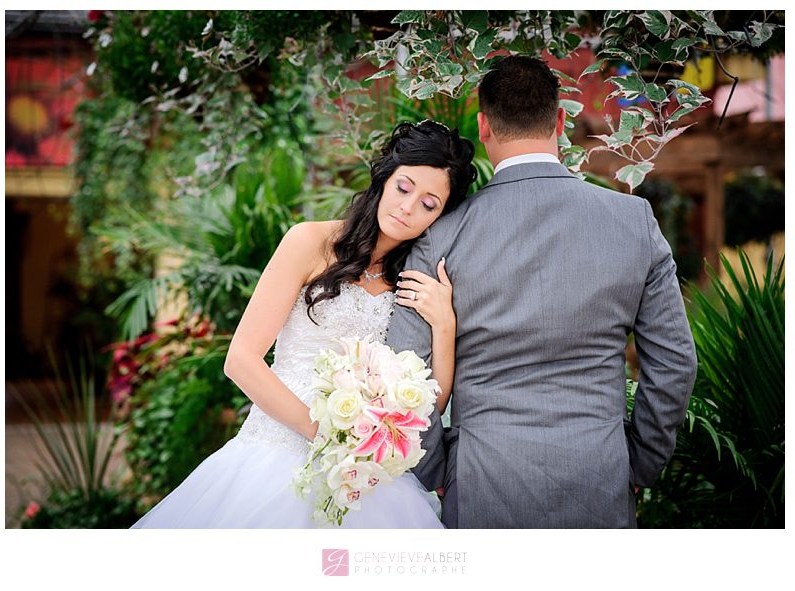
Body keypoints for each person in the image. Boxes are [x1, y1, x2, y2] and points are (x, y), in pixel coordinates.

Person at [386, 56, 698, 528]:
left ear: (484, 126)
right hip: (600, 473)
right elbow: (674, 362)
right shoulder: (633, 222)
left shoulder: (443, 235)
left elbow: (401, 374)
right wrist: (639, 463)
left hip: (481, 481)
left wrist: (436, 469)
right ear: (559, 120)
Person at [131, 120, 476, 528]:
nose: (408, 207)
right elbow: (240, 360)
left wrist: (445, 324)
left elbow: (429, 405)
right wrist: (323, 436)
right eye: (404, 188)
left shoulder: (414, 279)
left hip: (363, 474)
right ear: (384, 178)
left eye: (429, 204)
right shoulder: (308, 242)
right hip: (275, 448)